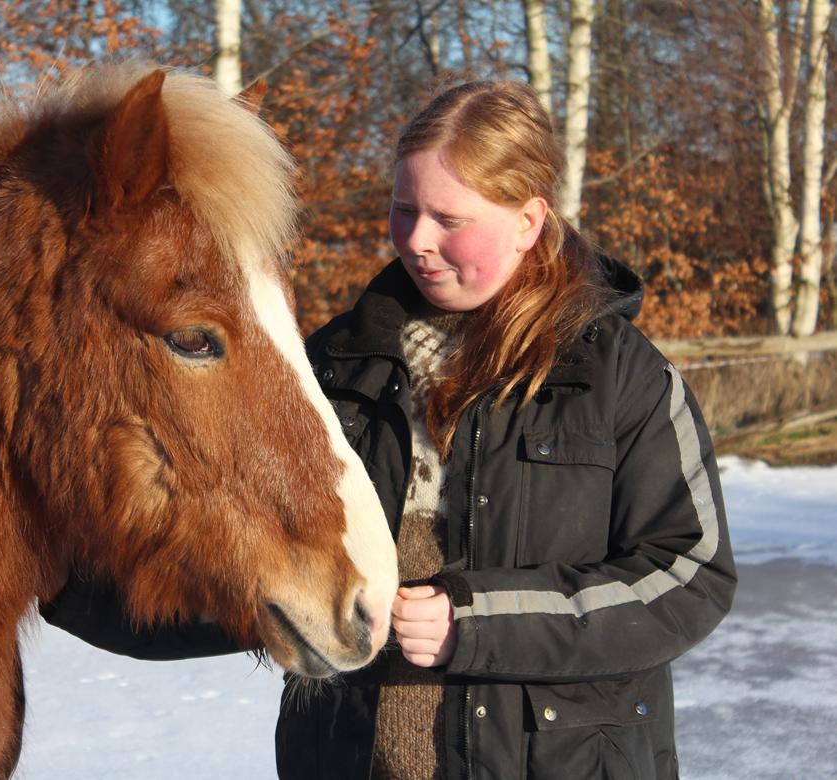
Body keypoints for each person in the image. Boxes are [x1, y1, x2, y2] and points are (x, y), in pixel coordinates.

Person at [43, 79, 736, 780]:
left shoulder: (621, 377)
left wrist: (478, 623)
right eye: (404, 210)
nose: (417, 241)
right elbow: (247, 558)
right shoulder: (333, 362)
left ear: (528, 221)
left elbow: (690, 575)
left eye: (449, 219)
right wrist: (55, 579)